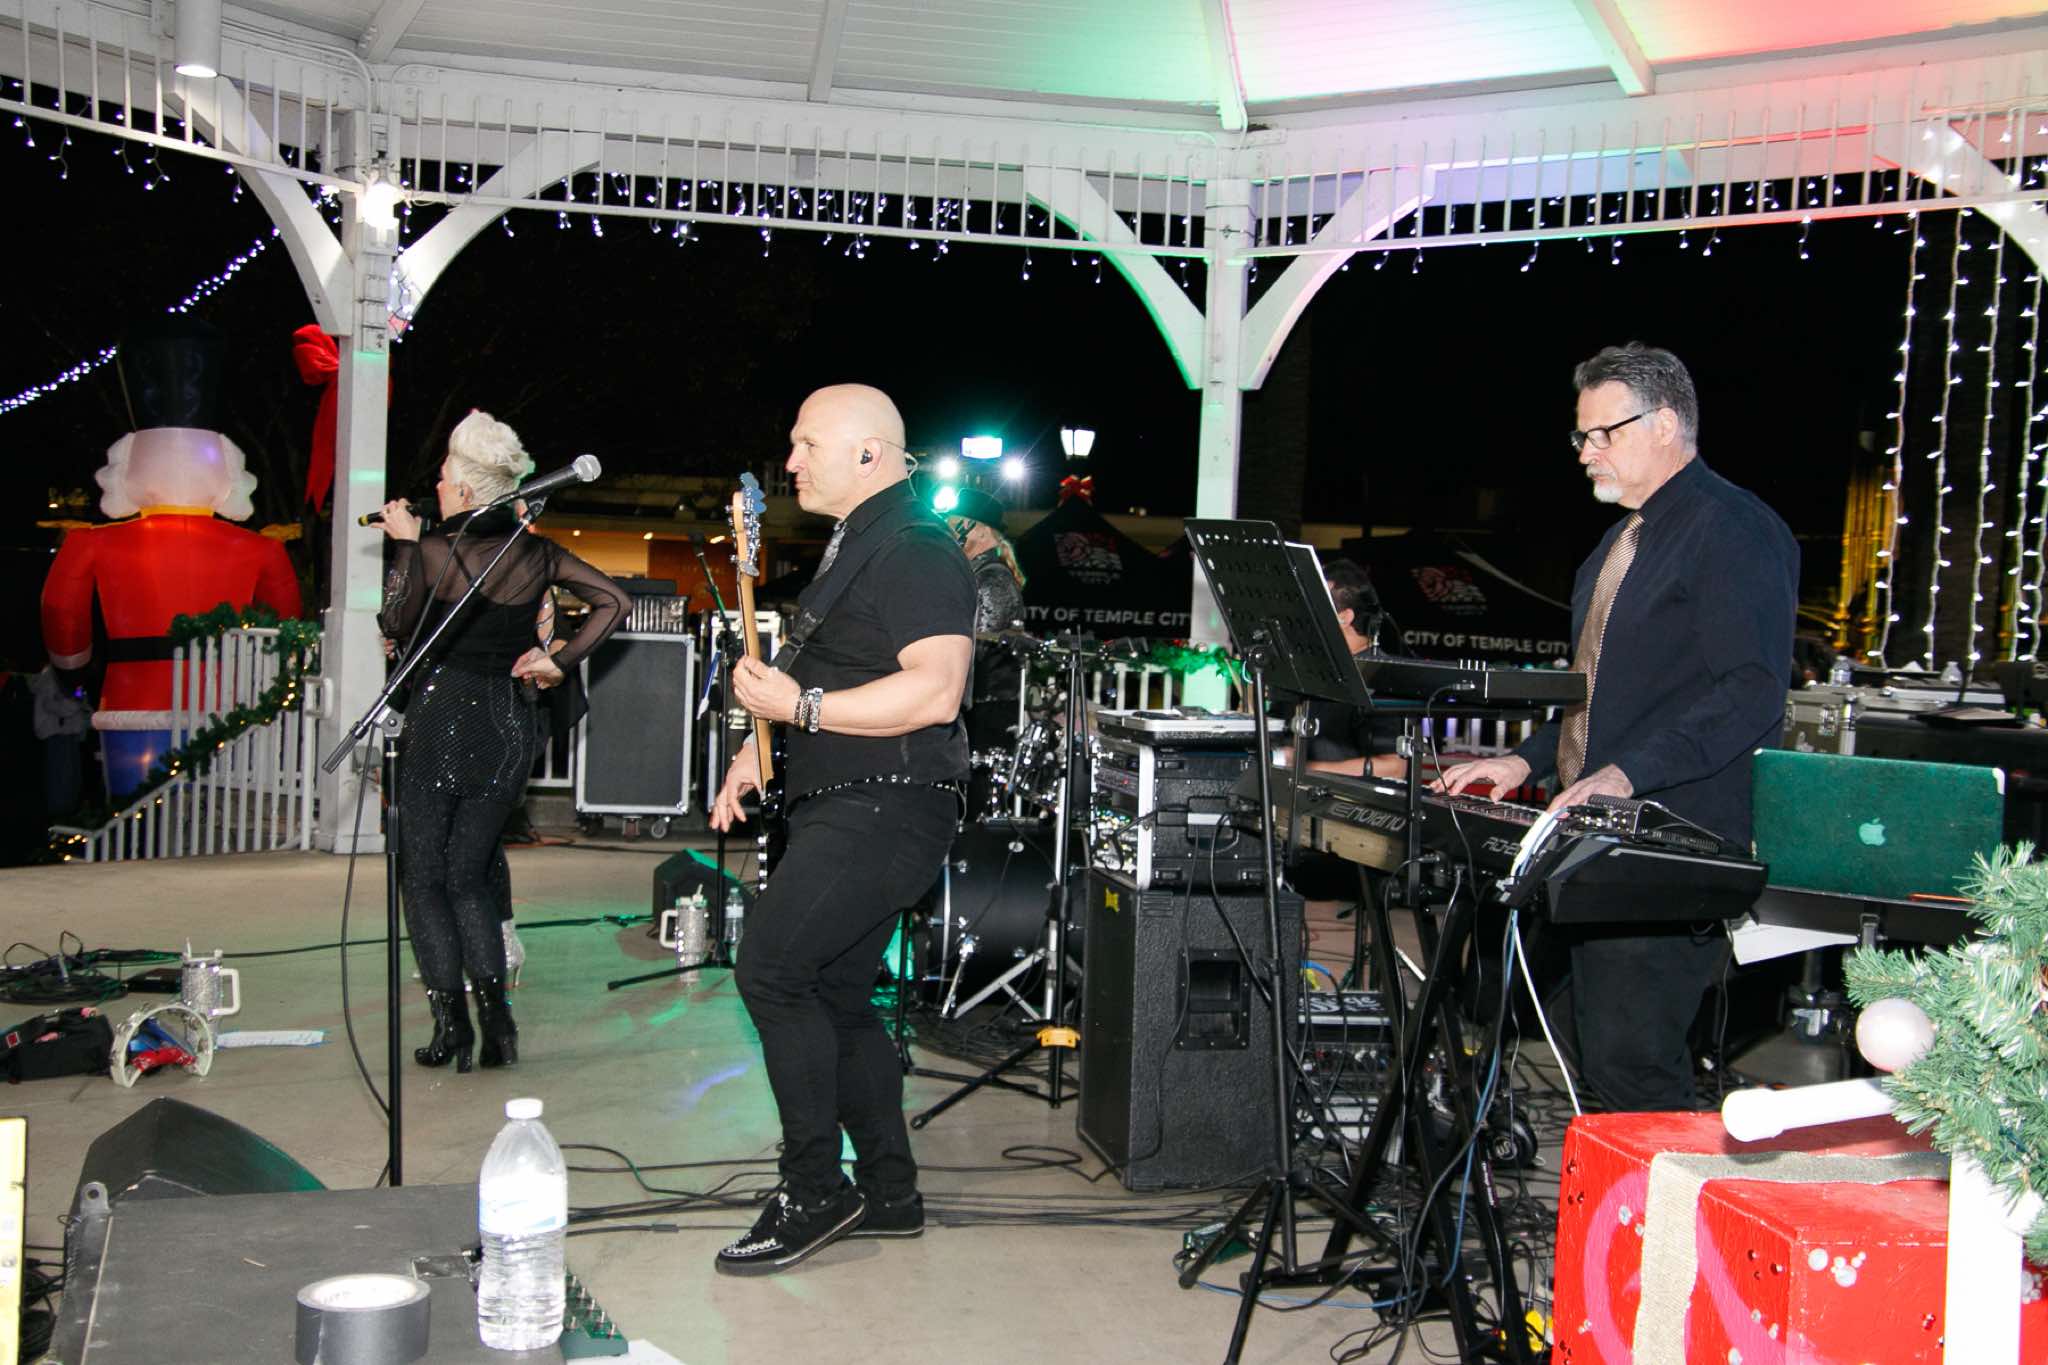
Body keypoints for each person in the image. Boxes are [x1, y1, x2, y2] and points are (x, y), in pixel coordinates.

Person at [1438, 343, 1796, 1113]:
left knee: (1631, 1066)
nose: (1585, 451)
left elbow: (1753, 690)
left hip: (1669, 844)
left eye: (1604, 432)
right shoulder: (1617, 544)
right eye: (1581, 435)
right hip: (1595, 838)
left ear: (1665, 424)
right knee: (1578, 1042)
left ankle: (1666, 1193)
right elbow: (1597, 696)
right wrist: (1525, 760)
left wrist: (1627, 774)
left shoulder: (1732, 529)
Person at [710, 383, 975, 1275]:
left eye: (805, 444)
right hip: (857, 799)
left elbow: (937, 688)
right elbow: (834, 665)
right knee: (834, 993)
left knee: (772, 969)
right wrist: (759, 747)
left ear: (868, 454)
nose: (790, 461)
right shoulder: (862, 540)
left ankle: (815, 1189)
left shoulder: (916, 545)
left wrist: (803, 707)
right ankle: (890, 1193)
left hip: (885, 804)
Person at [375, 411, 627, 1072]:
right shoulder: (534, 552)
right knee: (469, 876)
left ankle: (452, 1028)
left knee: (425, 878)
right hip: (508, 723)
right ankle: (499, 1027)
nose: (435, 485)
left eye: (442, 476)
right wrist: (559, 661)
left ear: (462, 489)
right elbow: (613, 600)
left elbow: (396, 622)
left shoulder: (436, 550)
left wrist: (405, 545)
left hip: (442, 718)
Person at [944, 485, 1027, 755]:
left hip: (989, 708)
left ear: (981, 531)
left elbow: (979, 647)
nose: (949, 532)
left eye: (955, 525)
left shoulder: (993, 579)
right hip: (978, 704)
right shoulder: (977, 573)